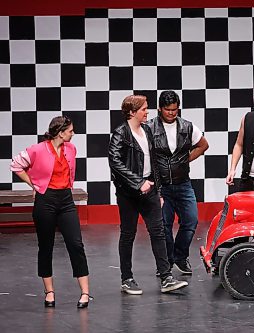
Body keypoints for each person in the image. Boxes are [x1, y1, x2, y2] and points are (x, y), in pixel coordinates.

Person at [108, 95, 187, 295]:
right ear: (132, 112)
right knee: (128, 234)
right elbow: (115, 162)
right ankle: (126, 279)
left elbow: (154, 163)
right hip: (128, 193)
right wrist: (138, 182)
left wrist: (157, 189)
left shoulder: (146, 130)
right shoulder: (121, 133)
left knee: (158, 232)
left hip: (149, 189)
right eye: (144, 109)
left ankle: (166, 277)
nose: (147, 112)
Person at [10, 116, 91, 308]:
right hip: (46, 200)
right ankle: (49, 292)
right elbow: (16, 165)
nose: (73, 133)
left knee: (76, 244)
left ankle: (85, 292)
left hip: (66, 199)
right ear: (60, 132)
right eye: (70, 130)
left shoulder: (71, 149)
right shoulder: (38, 149)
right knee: (46, 246)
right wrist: (34, 184)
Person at [147, 90, 209, 275]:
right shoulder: (149, 128)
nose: (172, 113)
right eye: (168, 110)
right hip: (161, 186)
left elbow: (203, 145)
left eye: (175, 109)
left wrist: (186, 159)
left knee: (191, 220)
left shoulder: (187, 127)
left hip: (183, 183)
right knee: (163, 225)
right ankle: (166, 261)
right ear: (160, 108)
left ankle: (180, 257)